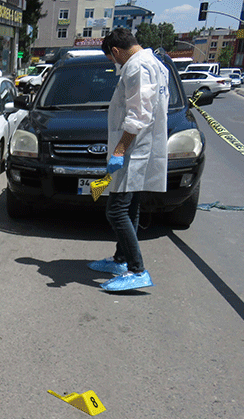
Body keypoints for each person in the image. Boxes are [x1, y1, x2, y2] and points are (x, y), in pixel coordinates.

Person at [88, 28, 169, 292]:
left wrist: (120, 150)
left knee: (116, 210)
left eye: (112, 59)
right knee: (130, 207)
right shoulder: (154, 63)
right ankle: (121, 260)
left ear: (115, 51)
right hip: (139, 148)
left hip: (134, 150)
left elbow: (138, 115)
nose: (114, 64)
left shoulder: (137, 68)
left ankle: (137, 269)